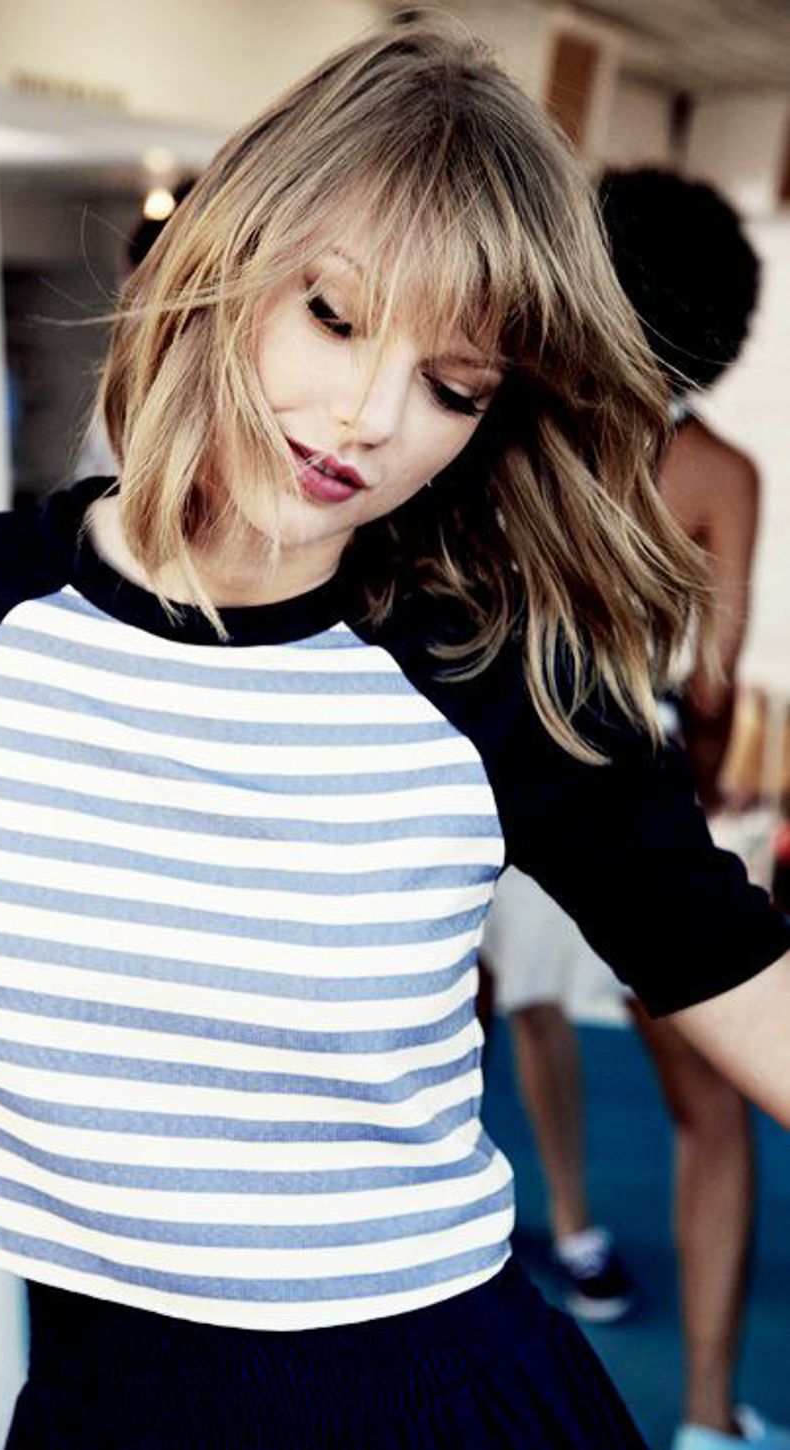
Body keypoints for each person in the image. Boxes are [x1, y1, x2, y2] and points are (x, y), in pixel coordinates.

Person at [0, 23, 789, 1449]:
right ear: (227, 261)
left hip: (428, 1407)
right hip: (93, 1409)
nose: (367, 418)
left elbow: (741, 981)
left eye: (452, 387)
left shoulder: (492, 676)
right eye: (332, 315)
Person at [482, 170, 790, 1450]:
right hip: (645, 810)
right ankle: (710, 1417)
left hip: (511, 794)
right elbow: (708, 689)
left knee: (534, 1014)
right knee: (707, 1114)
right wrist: (716, 771)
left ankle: (572, 1229)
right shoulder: (716, 470)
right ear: (720, 322)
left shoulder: (506, 431)